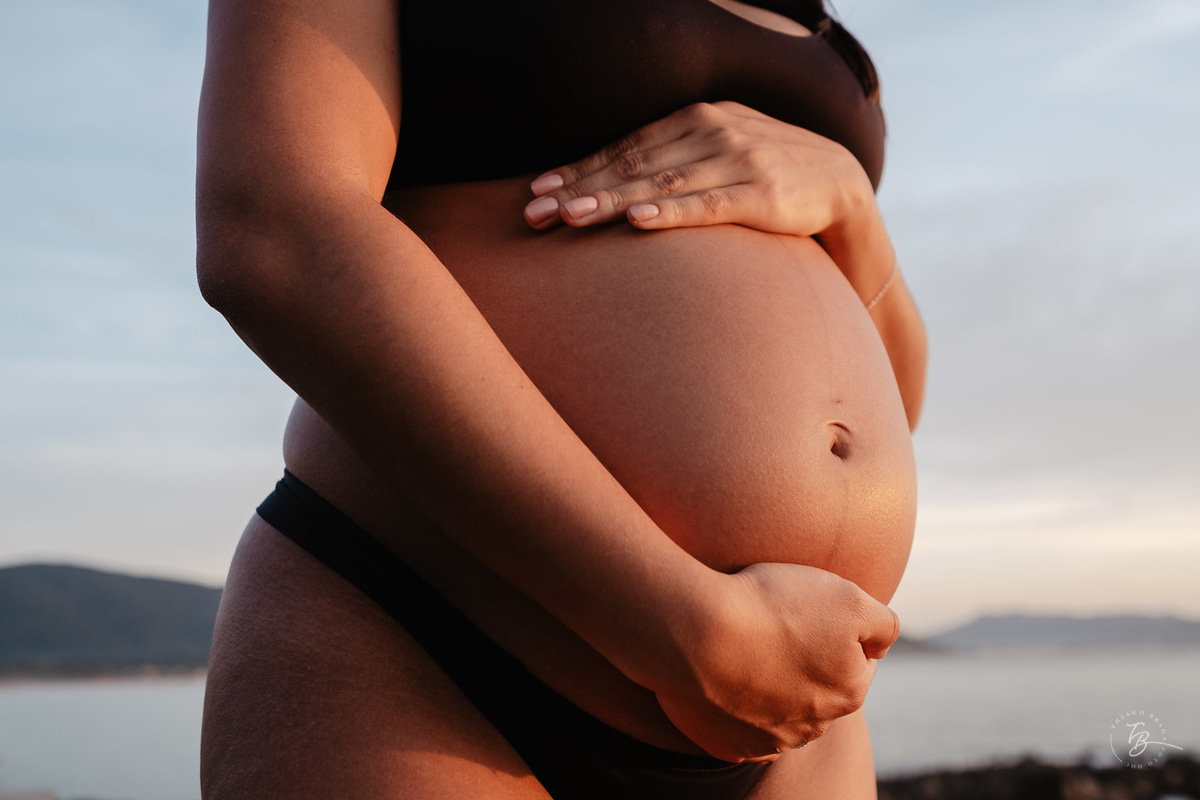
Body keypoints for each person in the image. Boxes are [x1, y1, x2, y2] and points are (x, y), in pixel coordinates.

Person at [196, 0, 927, 798]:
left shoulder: (831, 41)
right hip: (424, 640)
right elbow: (274, 229)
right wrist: (681, 628)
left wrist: (854, 206)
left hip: (795, 717)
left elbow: (900, 397)